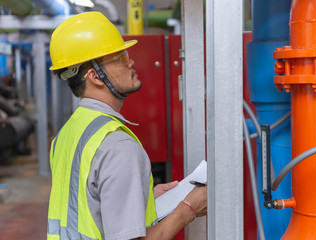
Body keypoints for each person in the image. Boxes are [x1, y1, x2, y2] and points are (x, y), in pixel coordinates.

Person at [46, 11, 207, 240]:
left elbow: (85, 205)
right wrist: (188, 209)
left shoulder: (66, 133)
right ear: (95, 76)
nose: (130, 61)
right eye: (120, 57)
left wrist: (146, 197)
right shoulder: (117, 145)